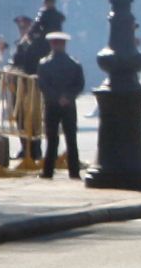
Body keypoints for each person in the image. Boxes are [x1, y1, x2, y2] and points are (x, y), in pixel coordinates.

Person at [36, 31, 86, 180]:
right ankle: (74, 171)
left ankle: (48, 171)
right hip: (69, 105)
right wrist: (67, 97)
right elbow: (79, 85)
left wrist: (57, 97)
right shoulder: (74, 63)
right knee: (71, 138)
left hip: (52, 105)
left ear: (51, 44)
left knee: (52, 139)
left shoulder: (44, 64)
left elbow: (43, 85)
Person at [8, 16, 43, 162]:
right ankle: (25, 147)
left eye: (24, 28)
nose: (22, 31)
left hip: (30, 86)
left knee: (33, 117)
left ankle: (34, 148)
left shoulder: (35, 45)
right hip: (19, 85)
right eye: (20, 28)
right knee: (21, 117)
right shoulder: (20, 44)